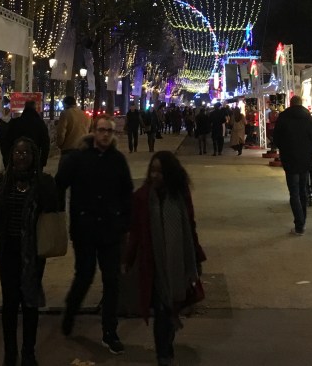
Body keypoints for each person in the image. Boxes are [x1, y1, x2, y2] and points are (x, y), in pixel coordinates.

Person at [0, 137, 59, 366]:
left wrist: (47, 186)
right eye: (17, 153)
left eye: (26, 153)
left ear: (34, 157)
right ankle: (10, 352)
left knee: (30, 303)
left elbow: (54, 209)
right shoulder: (3, 183)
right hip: (9, 251)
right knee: (10, 303)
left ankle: (28, 352)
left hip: (33, 253)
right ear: (11, 156)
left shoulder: (41, 183)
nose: (21, 157)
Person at [56, 116, 134, 354]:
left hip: (110, 230)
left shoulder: (118, 161)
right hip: (85, 229)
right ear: (94, 132)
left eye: (109, 131)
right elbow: (59, 184)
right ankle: (70, 312)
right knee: (85, 275)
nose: (105, 135)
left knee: (111, 281)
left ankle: (110, 331)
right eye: (102, 130)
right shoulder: (78, 159)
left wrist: (123, 224)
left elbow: (126, 194)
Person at [124, 152, 207, 366]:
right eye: (153, 171)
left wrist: (196, 255)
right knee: (161, 311)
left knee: (172, 308)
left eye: (160, 171)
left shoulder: (180, 194)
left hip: (178, 262)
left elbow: (190, 225)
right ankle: (164, 355)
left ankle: (167, 344)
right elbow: (135, 232)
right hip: (154, 264)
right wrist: (128, 259)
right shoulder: (142, 197)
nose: (155, 175)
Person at [272, 96, 312, 235]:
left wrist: (285, 149)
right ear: (301, 104)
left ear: (291, 104)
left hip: (290, 158)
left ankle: (299, 224)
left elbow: (277, 138)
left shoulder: (284, 117)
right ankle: (302, 220)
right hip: (305, 159)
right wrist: (310, 150)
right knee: (302, 190)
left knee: (294, 192)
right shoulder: (310, 119)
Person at [0, 100, 51, 169]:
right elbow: (45, 144)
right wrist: (42, 162)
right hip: (34, 159)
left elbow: (7, 142)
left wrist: (8, 162)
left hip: (17, 160)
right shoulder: (40, 124)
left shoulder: (16, 123)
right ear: (34, 108)